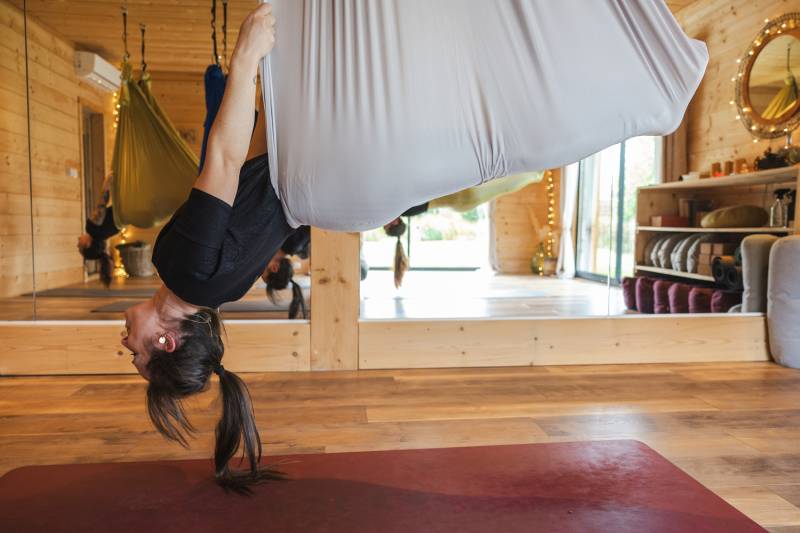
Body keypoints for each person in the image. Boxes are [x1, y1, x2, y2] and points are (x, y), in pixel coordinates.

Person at [121, 3, 286, 492]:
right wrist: (246, 58)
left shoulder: (220, 292)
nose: (124, 347)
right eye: (136, 356)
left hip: (301, 151)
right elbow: (225, 158)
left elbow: (255, 169)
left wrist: (272, 92)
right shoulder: (186, 271)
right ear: (166, 341)